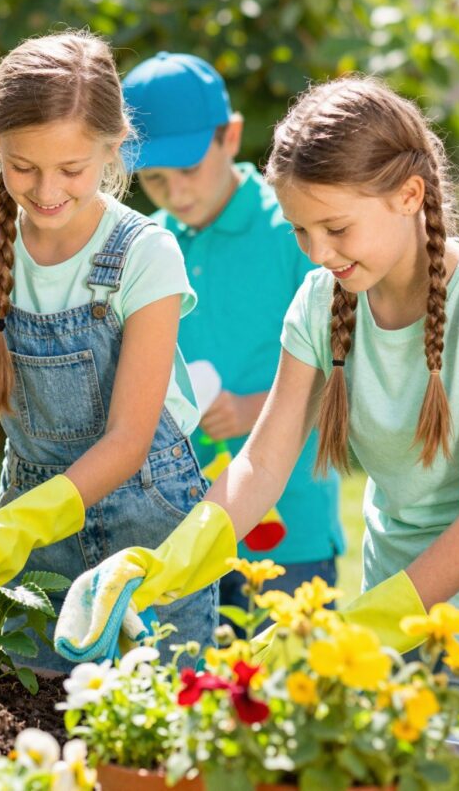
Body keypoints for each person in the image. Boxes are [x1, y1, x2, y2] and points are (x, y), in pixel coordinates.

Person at [56, 75, 459, 743]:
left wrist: (349, 633)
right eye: (300, 232)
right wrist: (162, 566)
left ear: (410, 195)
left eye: (337, 227)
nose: (319, 254)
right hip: (384, 640)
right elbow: (261, 464)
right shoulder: (324, 301)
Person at [0, 31, 214, 673]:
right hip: (35, 532)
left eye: (71, 170)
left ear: (113, 149)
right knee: (37, 722)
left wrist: (24, 524)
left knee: (159, 729)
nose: (44, 190)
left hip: (147, 519)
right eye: (22, 167)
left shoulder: (146, 254)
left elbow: (128, 437)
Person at [121, 52, 343, 615]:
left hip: (291, 527)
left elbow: (345, 367)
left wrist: (254, 409)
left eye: (189, 169)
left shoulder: (292, 229)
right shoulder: (150, 246)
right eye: (153, 179)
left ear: (232, 136)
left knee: (285, 685)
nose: (174, 192)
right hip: (186, 522)